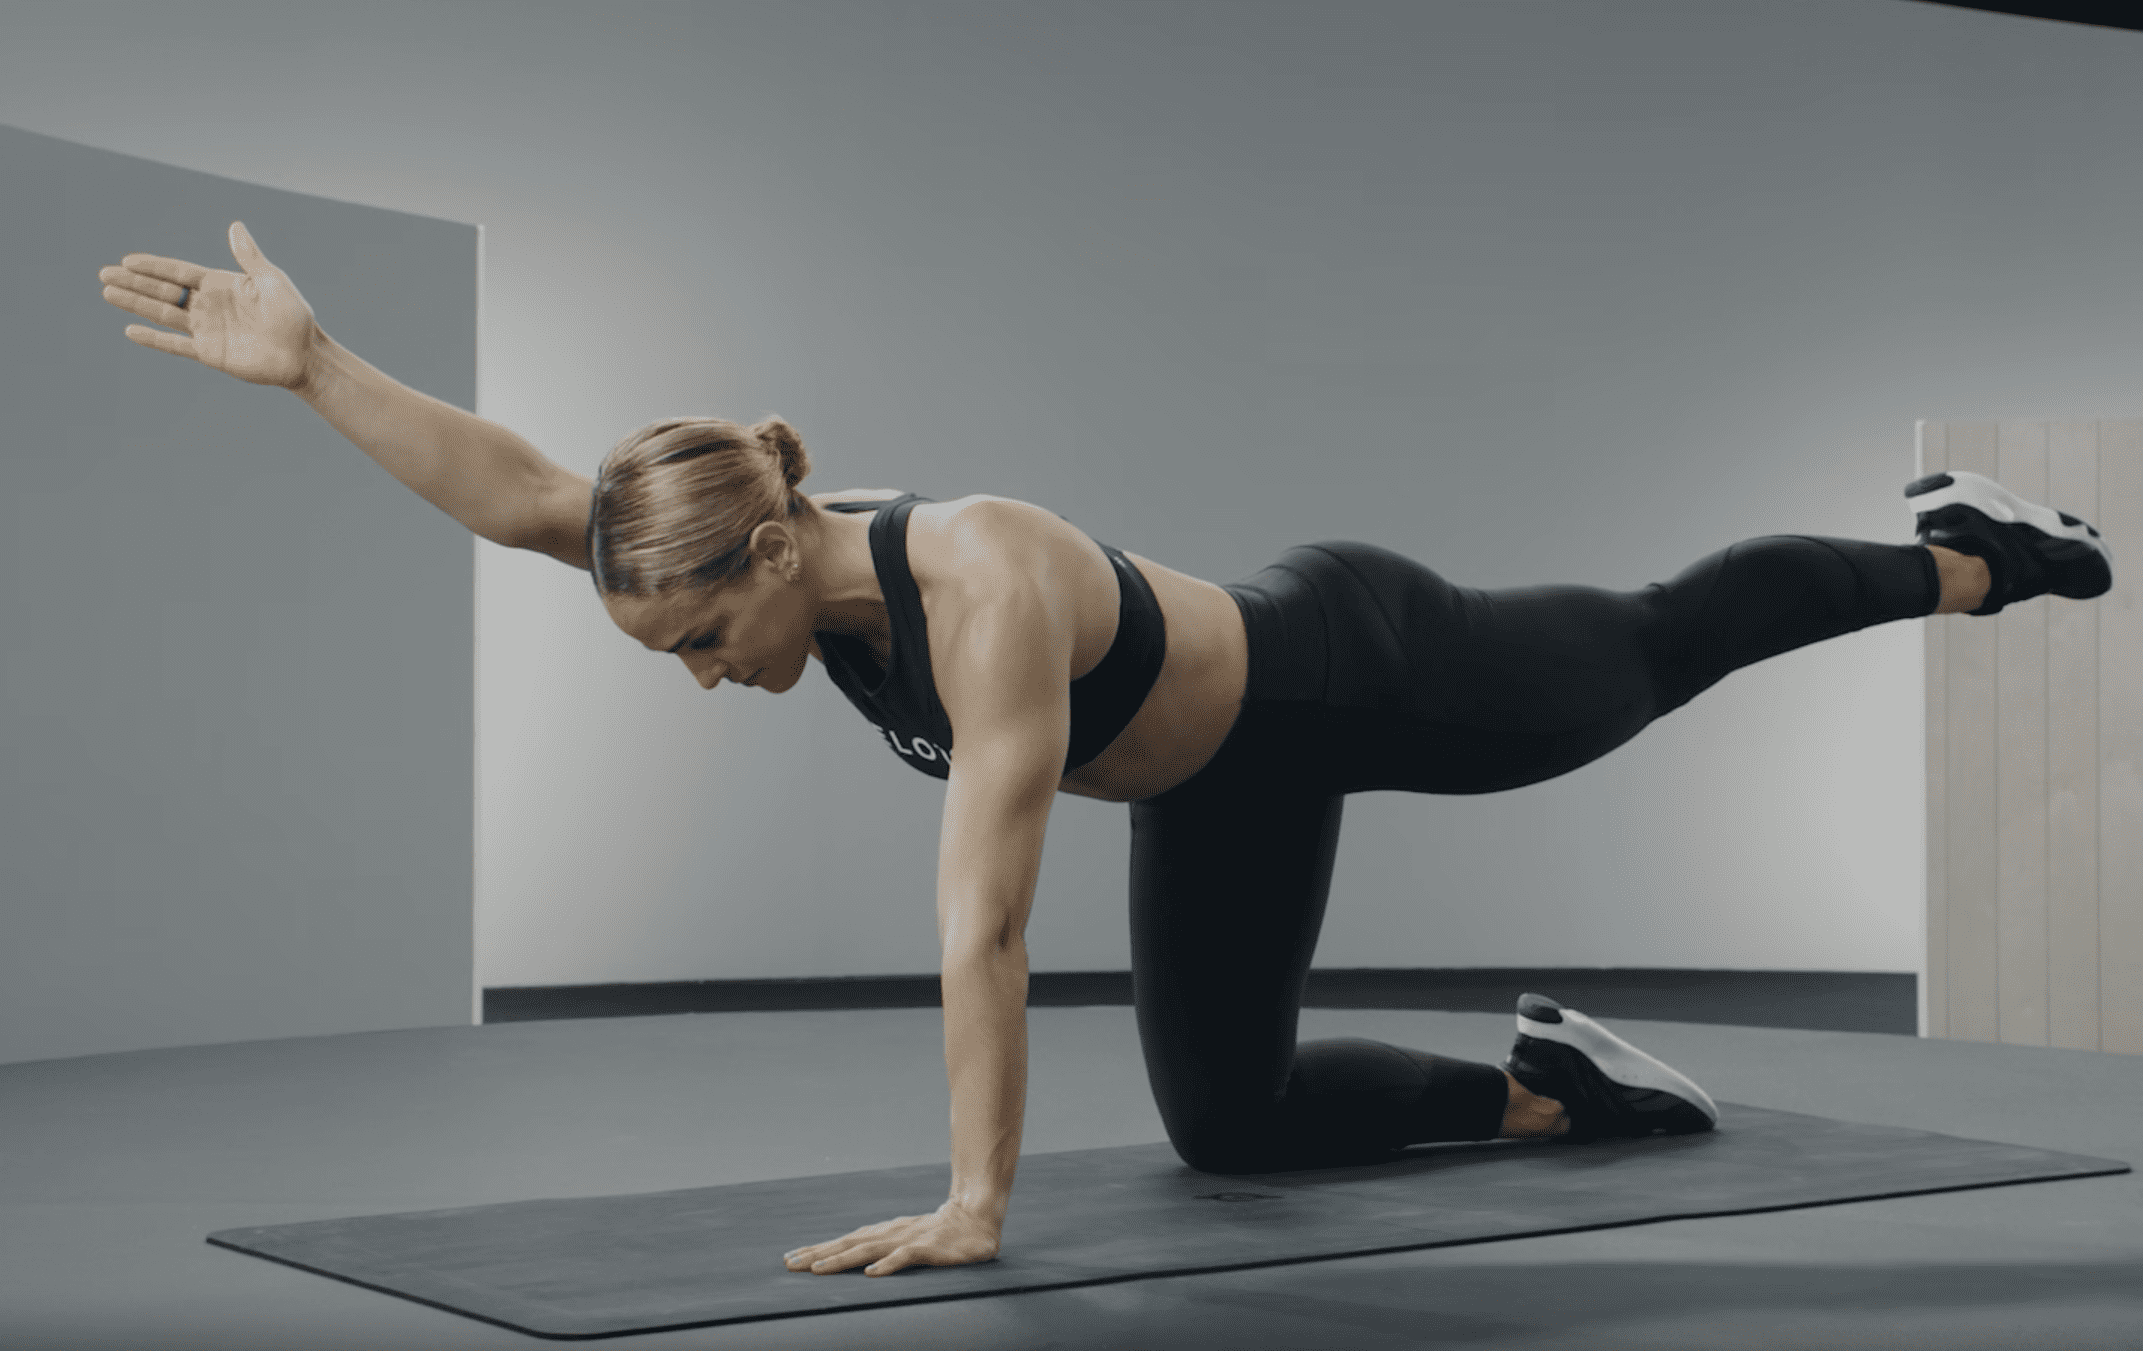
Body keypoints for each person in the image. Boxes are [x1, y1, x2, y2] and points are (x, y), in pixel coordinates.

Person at [98, 222, 2114, 1281]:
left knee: (1656, 655)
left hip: (1362, 656)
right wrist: (315, 369)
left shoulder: (978, 589)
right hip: (1220, 773)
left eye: (706, 636)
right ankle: (1561, 1091)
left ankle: (1972, 559)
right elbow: (531, 488)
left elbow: (985, 931)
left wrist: (976, 1199)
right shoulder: (748, 558)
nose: (699, 672)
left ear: (779, 551)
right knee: (1227, 1133)